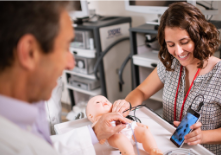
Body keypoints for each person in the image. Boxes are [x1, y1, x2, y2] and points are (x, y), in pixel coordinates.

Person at [0, 2, 128, 155]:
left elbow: (46, 149)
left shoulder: (25, 108)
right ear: (29, 52)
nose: (71, 64)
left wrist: (94, 132)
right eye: (65, 48)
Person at [112, 2, 221, 155]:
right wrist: (125, 105)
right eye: (171, 44)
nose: (178, 51)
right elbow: (141, 92)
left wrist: (203, 136)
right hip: (170, 149)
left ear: (199, 36)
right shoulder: (170, 64)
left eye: (184, 42)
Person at [86, 95, 163, 155]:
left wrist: (137, 124)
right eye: (97, 102)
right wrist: (100, 137)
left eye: (106, 100)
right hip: (115, 137)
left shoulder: (115, 113)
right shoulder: (98, 121)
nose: (104, 102)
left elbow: (125, 120)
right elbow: (96, 132)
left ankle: (153, 149)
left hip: (131, 132)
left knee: (144, 132)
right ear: (91, 116)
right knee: (120, 138)